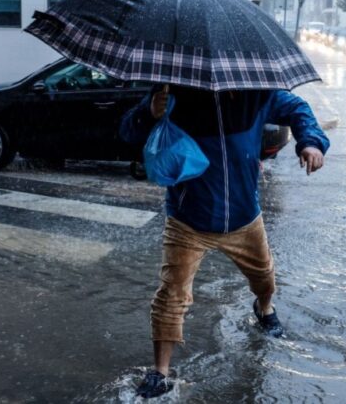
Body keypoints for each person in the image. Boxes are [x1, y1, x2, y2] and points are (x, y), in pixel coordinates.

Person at [120, 84, 329, 399]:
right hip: (188, 219)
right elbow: (127, 132)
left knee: (264, 278)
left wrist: (311, 142)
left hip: (245, 217)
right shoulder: (172, 91)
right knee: (171, 296)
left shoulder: (255, 94)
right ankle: (160, 372)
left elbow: (297, 108)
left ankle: (265, 307)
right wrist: (149, 112)